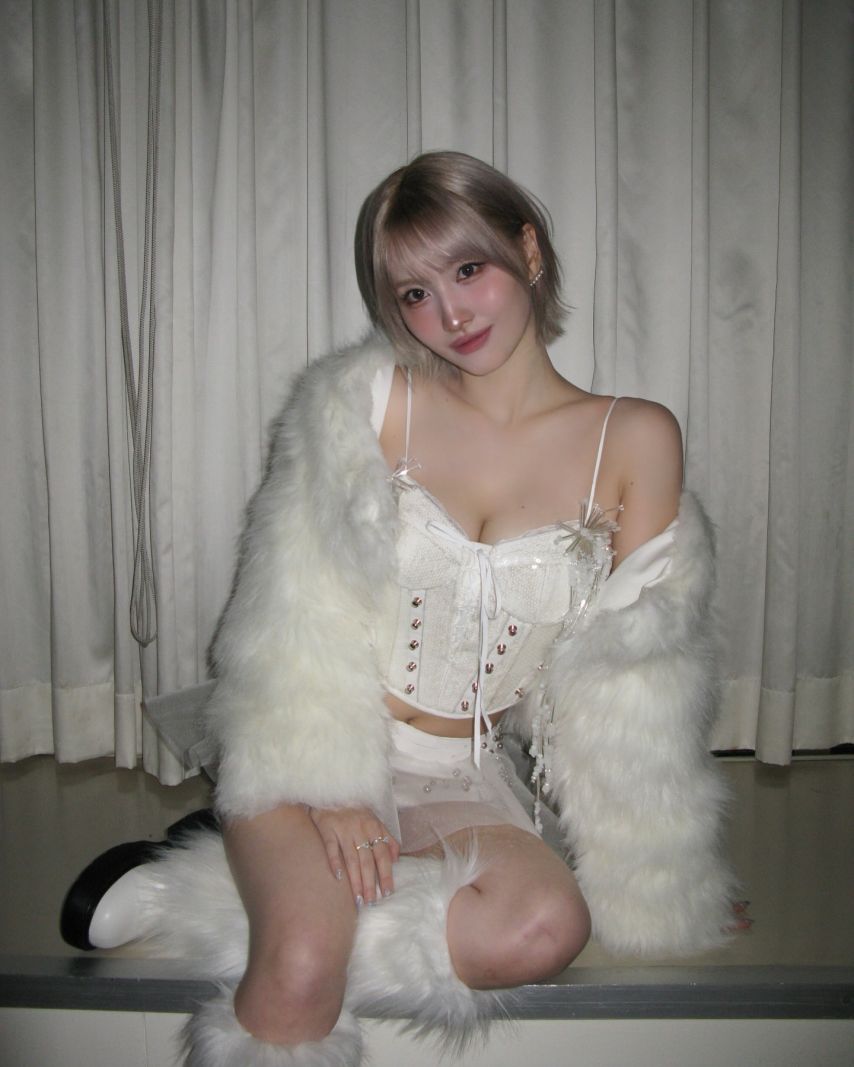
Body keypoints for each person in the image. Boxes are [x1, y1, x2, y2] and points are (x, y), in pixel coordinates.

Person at [61, 151, 740, 1067]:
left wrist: (666, 879)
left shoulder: (636, 437)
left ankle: (205, 885)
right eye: (415, 293)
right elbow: (286, 618)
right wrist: (332, 791)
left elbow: (640, 683)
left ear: (528, 250)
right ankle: (284, 893)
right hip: (319, 748)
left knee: (543, 926)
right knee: (302, 968)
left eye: (469, 269)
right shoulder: (366, 402)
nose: (450, 313)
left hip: (461, 776)